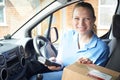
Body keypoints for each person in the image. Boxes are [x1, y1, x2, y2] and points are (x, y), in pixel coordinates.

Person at [30, 1, 109, 80]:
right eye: (77, 18)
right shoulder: (67, 36)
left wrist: (89, 67)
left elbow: (97, 77)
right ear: (72, 20)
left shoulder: (102, 48)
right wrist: (56, 63)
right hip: (61, 74)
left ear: (93, 20)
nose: (81, 23)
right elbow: (60, 60)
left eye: (86, 19)